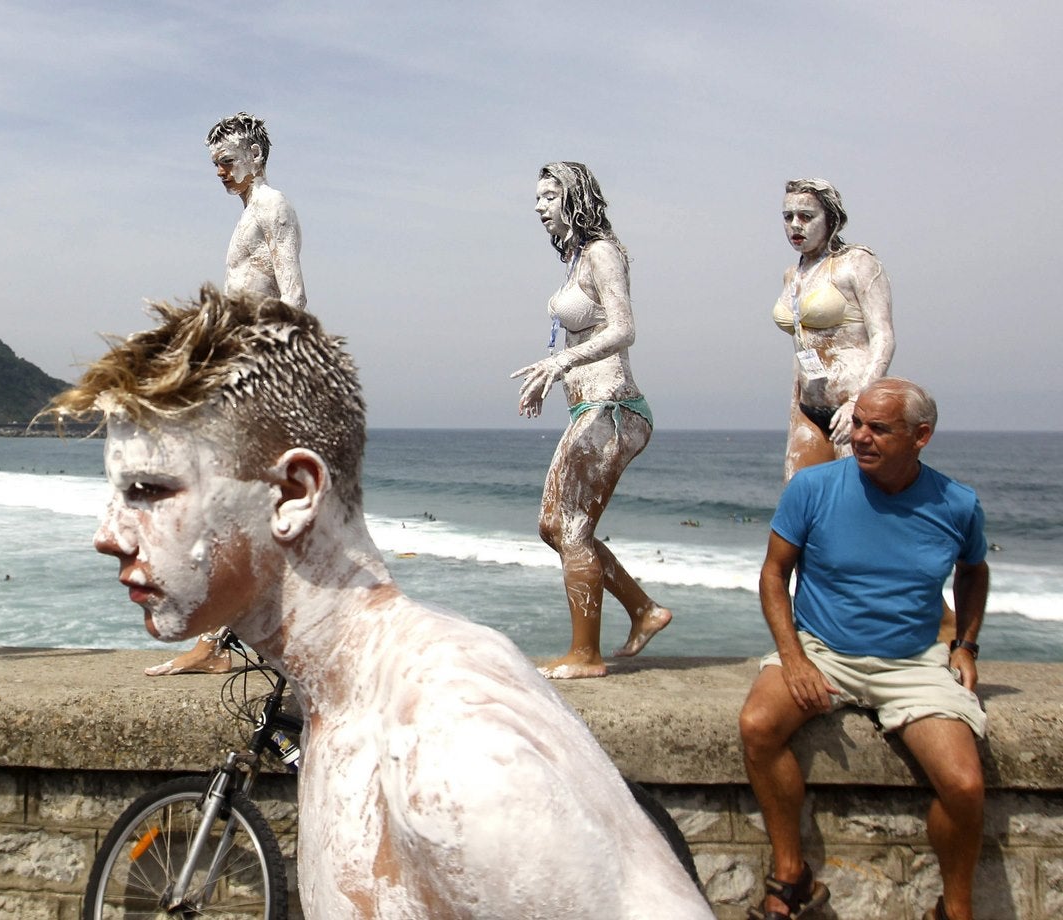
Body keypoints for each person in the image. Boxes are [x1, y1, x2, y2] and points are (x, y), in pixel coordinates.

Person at [52, 286, 712, 918]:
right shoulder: (341, 702)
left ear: (292, 495)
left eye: (148, 490)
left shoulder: (452, 753)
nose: (106, 535)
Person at [739, 378, 987, 920]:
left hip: (914, 661)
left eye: (879, 428)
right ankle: (791, 876)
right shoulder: (813, 488)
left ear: (920, 436)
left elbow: (974, 571)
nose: (860, 438)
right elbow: (773, 574)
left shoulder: (957, 503)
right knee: (758, 725)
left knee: (965, 784)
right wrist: (794, 656)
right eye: (857, 424)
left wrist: (965, 644)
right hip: (823, 649)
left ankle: (956, 910)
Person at [143, 111, 307, 677]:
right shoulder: (249, 215)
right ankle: (234, 637)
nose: (220, 171)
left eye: (228, 160)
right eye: (214, 163)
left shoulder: (272, 207)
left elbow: (294, 297)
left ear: (256, 157)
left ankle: (223, 641)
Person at [510, 162, 672, 679]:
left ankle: (586, 655)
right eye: (537, 198)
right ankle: (644, 609)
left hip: (615, 408)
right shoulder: (576, 258)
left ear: (574, 197)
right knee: (553, 526)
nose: (539, 207)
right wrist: (553, 376)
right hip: (591, 407)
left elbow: (624, 329)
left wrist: (559, 363)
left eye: (548, 197)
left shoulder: (602, 253)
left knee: (570, 526)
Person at [773, 178, 894, 483]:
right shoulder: (793, 273)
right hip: (807, 402)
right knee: (798, 496)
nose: (795, 225)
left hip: (852, 402)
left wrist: (860, 403)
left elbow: (883, 336)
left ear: (831, 218)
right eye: (788, 217)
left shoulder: (858, 263)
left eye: (806, 216)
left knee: (855, 497)